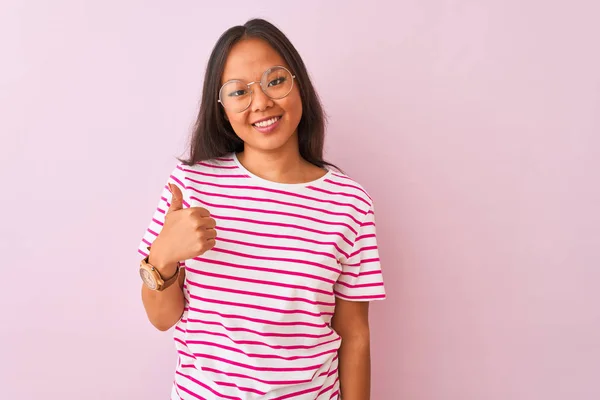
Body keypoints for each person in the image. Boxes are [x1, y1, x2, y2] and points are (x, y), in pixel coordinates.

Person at [137, 18, 386, 400]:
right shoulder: (191, 186)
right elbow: (161, 319)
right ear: (221, 107)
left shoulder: (348, 203)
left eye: (275, 81)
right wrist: (164, 254)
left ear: (297, 83)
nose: (261, 102)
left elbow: (354, 334)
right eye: (239, 92)